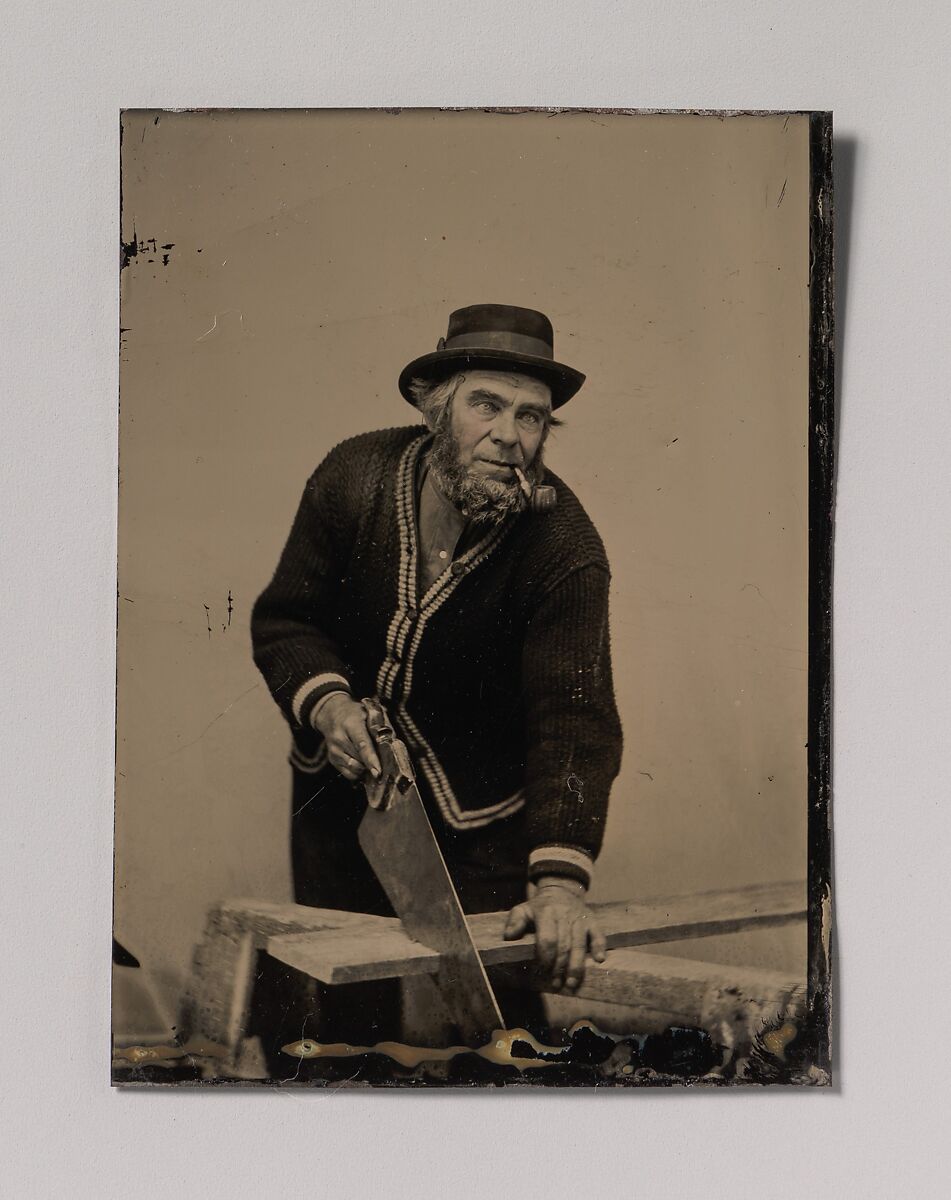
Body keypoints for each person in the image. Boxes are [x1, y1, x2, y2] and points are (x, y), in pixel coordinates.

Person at [250, 303, 622, 1055]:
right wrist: (326, 705)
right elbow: (288, 620)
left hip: (482, 812)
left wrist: (556, 886)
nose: (508, 436)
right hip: (341, 790)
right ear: (434, 407)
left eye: (531, 418)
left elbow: (573, 723)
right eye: (485, 404)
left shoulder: (564, 548)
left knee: (503, 1020)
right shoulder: (351, 476)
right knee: (340, 1011)